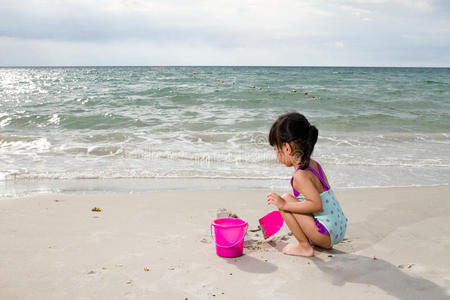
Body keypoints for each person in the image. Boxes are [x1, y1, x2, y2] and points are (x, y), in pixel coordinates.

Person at [266, 112, 347, 256]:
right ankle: (315, 240)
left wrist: (284, 205)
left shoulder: (300, 176)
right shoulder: (314, 165)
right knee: (293, 202)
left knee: (285, 200)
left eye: (276, 150)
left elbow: (316, 205)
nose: (277, 156)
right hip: (338, 227)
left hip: (326, 235)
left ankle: (304, 246)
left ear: (287, 148)